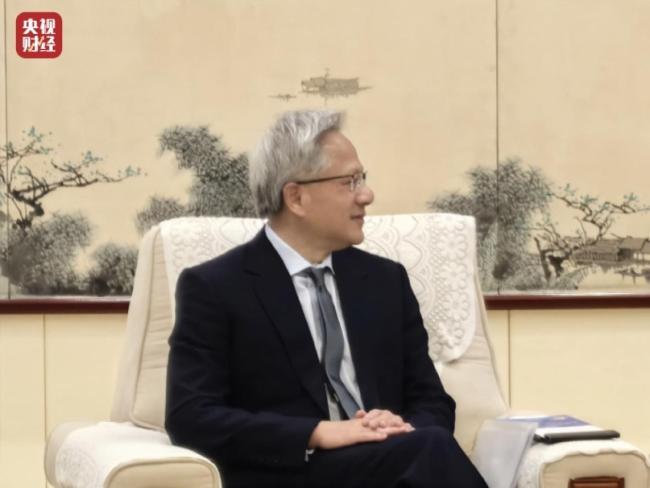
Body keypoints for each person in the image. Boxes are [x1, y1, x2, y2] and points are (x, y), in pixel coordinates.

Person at [165, 110, 487, 488]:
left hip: (391, 462)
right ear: (296, 197)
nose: (366, 195)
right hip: (294, 472)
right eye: (349, 182)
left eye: (362, 179)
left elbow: (432, 402)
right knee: (429, 450)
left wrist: (402, 424)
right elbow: (191, 416)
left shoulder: (386, 281)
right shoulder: (215, 287)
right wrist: (316, 433)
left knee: (428, 443)